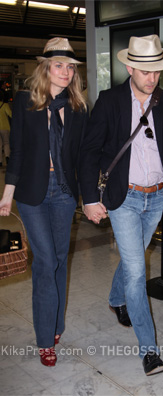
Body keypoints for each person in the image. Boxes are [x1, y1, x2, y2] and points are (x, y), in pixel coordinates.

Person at [79, 34, 163, 376]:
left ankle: (116, 299)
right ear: (129, 67)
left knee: (135, 257)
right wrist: (90, 198)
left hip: (156, 197)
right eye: (146, 71)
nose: (153, 78)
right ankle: (149, 351)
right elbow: (89, 153)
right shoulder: (109, 102)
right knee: (137, 269)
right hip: (124, 196)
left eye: (157, 72)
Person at [0, 37, 88, 367]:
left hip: (64, 192)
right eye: (58, 65)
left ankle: (56, 324)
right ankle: (43, 339)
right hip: (32, 193)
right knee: (46, 261)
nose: (65, 72)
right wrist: (7, 193)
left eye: (70, 66)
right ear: (45, 67)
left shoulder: (78, 107)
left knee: (60, 259)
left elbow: (82, 156)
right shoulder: (26, 101)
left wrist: (90, 194)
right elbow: (17, 151)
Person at [0, 90, 12, 166]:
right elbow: (11, 114)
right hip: (5, 127)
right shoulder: (5, 105)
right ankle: (7, 157)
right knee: (6, 143)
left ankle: (0, 161)